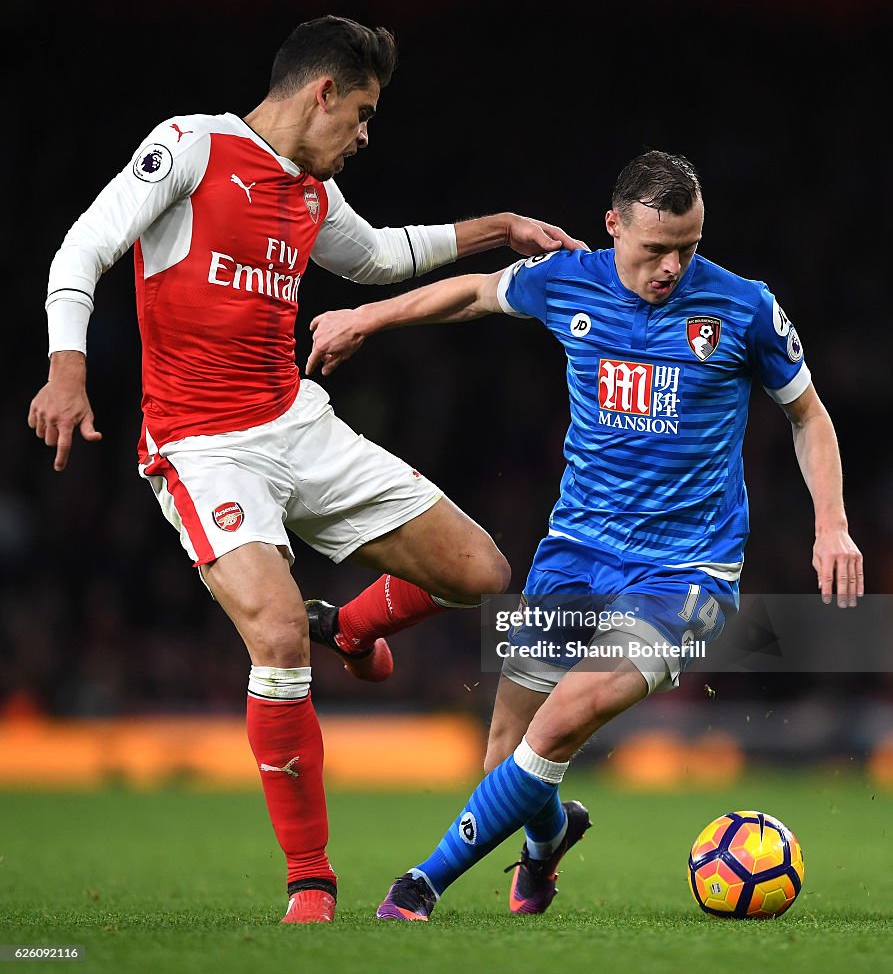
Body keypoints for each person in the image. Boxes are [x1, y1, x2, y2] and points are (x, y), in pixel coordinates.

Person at [27, 15, 586, 925]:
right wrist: (66, 366)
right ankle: (311, 882)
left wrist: (503, 229)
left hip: (295, 422)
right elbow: (83, 248)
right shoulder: (191, 147)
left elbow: (374, 258)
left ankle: (355, 630)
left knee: (480, 571)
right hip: (203, 447)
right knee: (278, 640)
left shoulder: (307, 192)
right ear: (322, 91)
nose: (366, 134)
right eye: (361, 112)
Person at [306, 150, 864, 921]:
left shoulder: (742, 308)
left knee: (562, 719)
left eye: (688, 248)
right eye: (653, 248)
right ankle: (547, 841)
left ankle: (419, 885)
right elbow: (473, 291)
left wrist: (830, 525)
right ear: (612, 227)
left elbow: (806, 413)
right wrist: (364, 315)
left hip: (684, 573)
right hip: (575, 551)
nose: (670, 266)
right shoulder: (568, 278)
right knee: (505, 753)